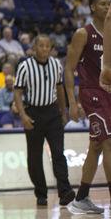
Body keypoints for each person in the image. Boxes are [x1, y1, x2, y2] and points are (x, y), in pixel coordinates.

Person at [14, 35, 74, 208]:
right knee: (34, 158)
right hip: (33, 113)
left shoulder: (56, 64)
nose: (45, 49)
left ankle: (65, 191)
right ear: (34, 47)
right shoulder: (25, 67)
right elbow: (17, 93)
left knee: (58, 153)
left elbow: (59, 88)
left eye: (48, 46)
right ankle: (41, 193)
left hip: (52, 113)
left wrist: (63, 112)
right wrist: (23, 115)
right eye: (41, 45)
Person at [64, 0, 110, 214]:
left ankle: (81, 198)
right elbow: (68, 69)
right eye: (103, 3)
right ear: (92, 7)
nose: (107, 6)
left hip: (109, 93)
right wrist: (72, 102)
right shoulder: (83, 34)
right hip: (92, 93)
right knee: (109, 141)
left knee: (96, 146)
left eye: (109, 3)